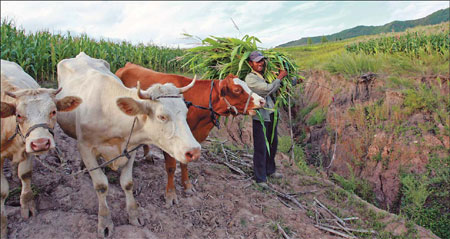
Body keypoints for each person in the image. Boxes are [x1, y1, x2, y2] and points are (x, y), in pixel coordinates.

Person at [245, 50, 288, 189]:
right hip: (260, 118)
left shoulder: (265, 76)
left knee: (272, 144)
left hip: (271, 115)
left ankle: (270, 170)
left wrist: (293, 81)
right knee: (261, 147)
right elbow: (267, 89)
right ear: (250, 63)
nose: (260, 63)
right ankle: (260, 178)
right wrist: (280, 77)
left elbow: (277, 87)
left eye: (262, 60)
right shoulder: (251, 78)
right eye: (257, 61)